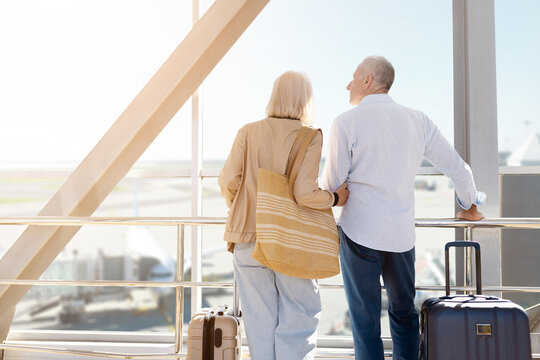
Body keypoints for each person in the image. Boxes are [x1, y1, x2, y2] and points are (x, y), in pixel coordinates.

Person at [321, 56, 486, 360]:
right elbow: (458, 169)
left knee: (365, 322)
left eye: (353, 77)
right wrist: (470, 205)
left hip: (359, 234)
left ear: (368, 80)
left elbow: (332, 185)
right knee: (404, 316)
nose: (348, 84)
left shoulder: (344, 123)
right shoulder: (418, 120)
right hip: (400, 236)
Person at [219, 71, 349, 360]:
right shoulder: (308, 136)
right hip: (289, 242)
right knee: (298, 318)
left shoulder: (247, 131)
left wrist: (240, 208)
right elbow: (304, 193)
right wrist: (336, 197)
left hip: (246, 238)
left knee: (259, 321)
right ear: (305, 100)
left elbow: (228, 180)